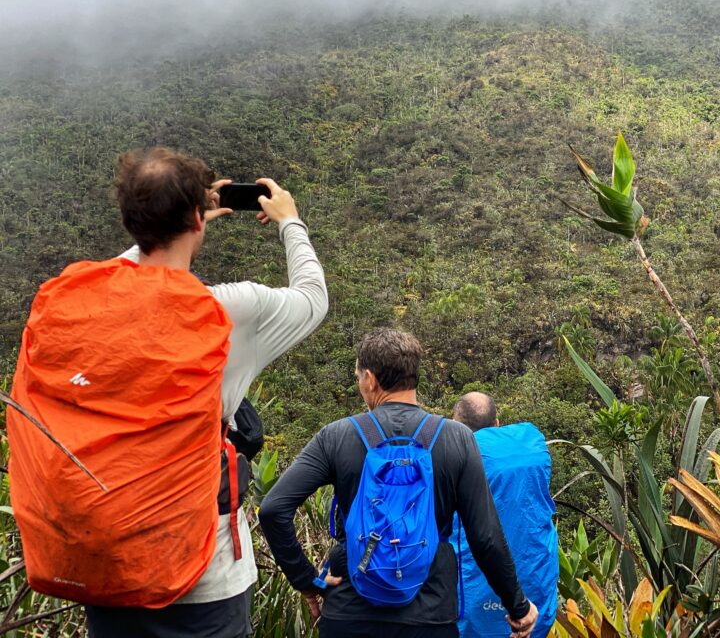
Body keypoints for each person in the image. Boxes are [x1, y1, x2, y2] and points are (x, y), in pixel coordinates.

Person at [13, 147, 329, 638]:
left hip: (103, 562)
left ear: (130, 220)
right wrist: (290, 221)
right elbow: (313, 297)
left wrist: (176, 215)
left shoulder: (76, 302)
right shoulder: (225, 311)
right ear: (197, 221)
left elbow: (134, 264)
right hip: (200, 578)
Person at [259, 328, 539, 638]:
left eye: (358, 377)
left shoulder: (336, 436)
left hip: (350, 616)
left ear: (371, 380)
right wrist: (518, 607)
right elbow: (484, 536)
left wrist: (306, 579)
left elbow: (273, 509)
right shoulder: (456, 438)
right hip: (429, 618)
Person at [451, 393, 558, 638]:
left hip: (473, 596)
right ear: (497, 423)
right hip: (536, 587)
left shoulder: (455, 456)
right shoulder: (532, 451)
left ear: (456, 427)